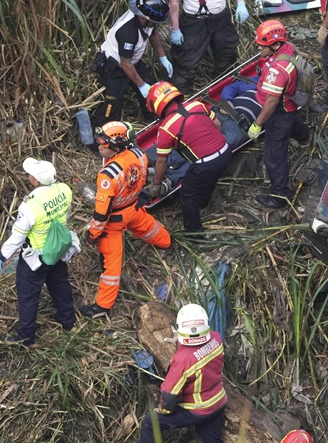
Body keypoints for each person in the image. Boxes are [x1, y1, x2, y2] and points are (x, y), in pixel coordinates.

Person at [123, 304, 229, 443]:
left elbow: (170, 396)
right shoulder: (215, 338)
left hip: (196, 409)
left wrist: (164, 410)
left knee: (150, 422)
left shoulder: (183, 359)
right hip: (217, 401)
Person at [81, 121, 172, 318]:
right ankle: (167, 243)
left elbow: (101, 213)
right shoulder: (138, 154)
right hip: (134, 207)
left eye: (102, 143)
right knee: (152, 229)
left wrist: (92, 234)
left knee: (112, 265)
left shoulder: (108, 175)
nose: (99, 146)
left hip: (114, 221)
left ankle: (102, 307)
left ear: (115, 145)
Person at [2, 159, 79, 345]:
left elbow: (18, 237)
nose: (29, 177)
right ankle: (67, 319)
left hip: (35, 257)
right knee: (60, 283)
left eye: (31, 175)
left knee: (28, 294)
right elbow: (66, 214)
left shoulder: (30, 206)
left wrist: (3, 254)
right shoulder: (64, 190)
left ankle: (26, 336)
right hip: (58, 249)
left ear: (36, 180)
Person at [146, 82, 230, 234]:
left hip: (206, 163)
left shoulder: (166, 128)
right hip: (225, 151)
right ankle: (203, 202)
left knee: (187, 194)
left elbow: (161, 161)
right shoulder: (196, 105)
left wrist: (156, 184)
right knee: (209, 178)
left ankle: (194, 232)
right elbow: (217, 124)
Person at [249, 21, 313, 209]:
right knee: (293, 123)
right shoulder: (288, 49)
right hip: (289, 106)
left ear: (275, 45)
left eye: (262, 45)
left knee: (274, 156)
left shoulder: (278, 70)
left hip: (279, 112)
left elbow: (271, 103)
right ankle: (304, 136)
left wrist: (258, 123)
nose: (259, 47)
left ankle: (280, 195)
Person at [92, 0, 173, 127]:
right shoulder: (128, 32)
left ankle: (153, 118)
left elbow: (153, 34)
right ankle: (103, 137)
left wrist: (162, 57)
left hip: (132, 61)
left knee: (152, 88)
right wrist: (141, 85)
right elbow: (125, 64)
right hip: (115, 67)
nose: (154, 24)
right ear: (145, 18)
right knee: (112, 103)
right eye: (153, 22)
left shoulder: (148, 22)